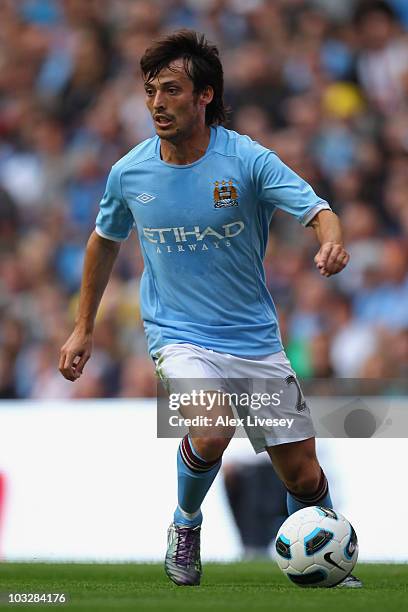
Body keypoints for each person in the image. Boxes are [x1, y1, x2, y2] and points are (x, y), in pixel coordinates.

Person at [59, 30, 359, 588]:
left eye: (171, 90)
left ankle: (329, 555)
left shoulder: (245, 158)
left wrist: (331, 241)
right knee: (212, 427)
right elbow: (103, 241)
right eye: (150, 90)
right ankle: (185, 524)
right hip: (178, 334)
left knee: (302, 473)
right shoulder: (130, 172)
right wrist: (83, 329)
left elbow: (319, 209)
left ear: (204, 95)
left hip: (254, 338)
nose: (156, 103)